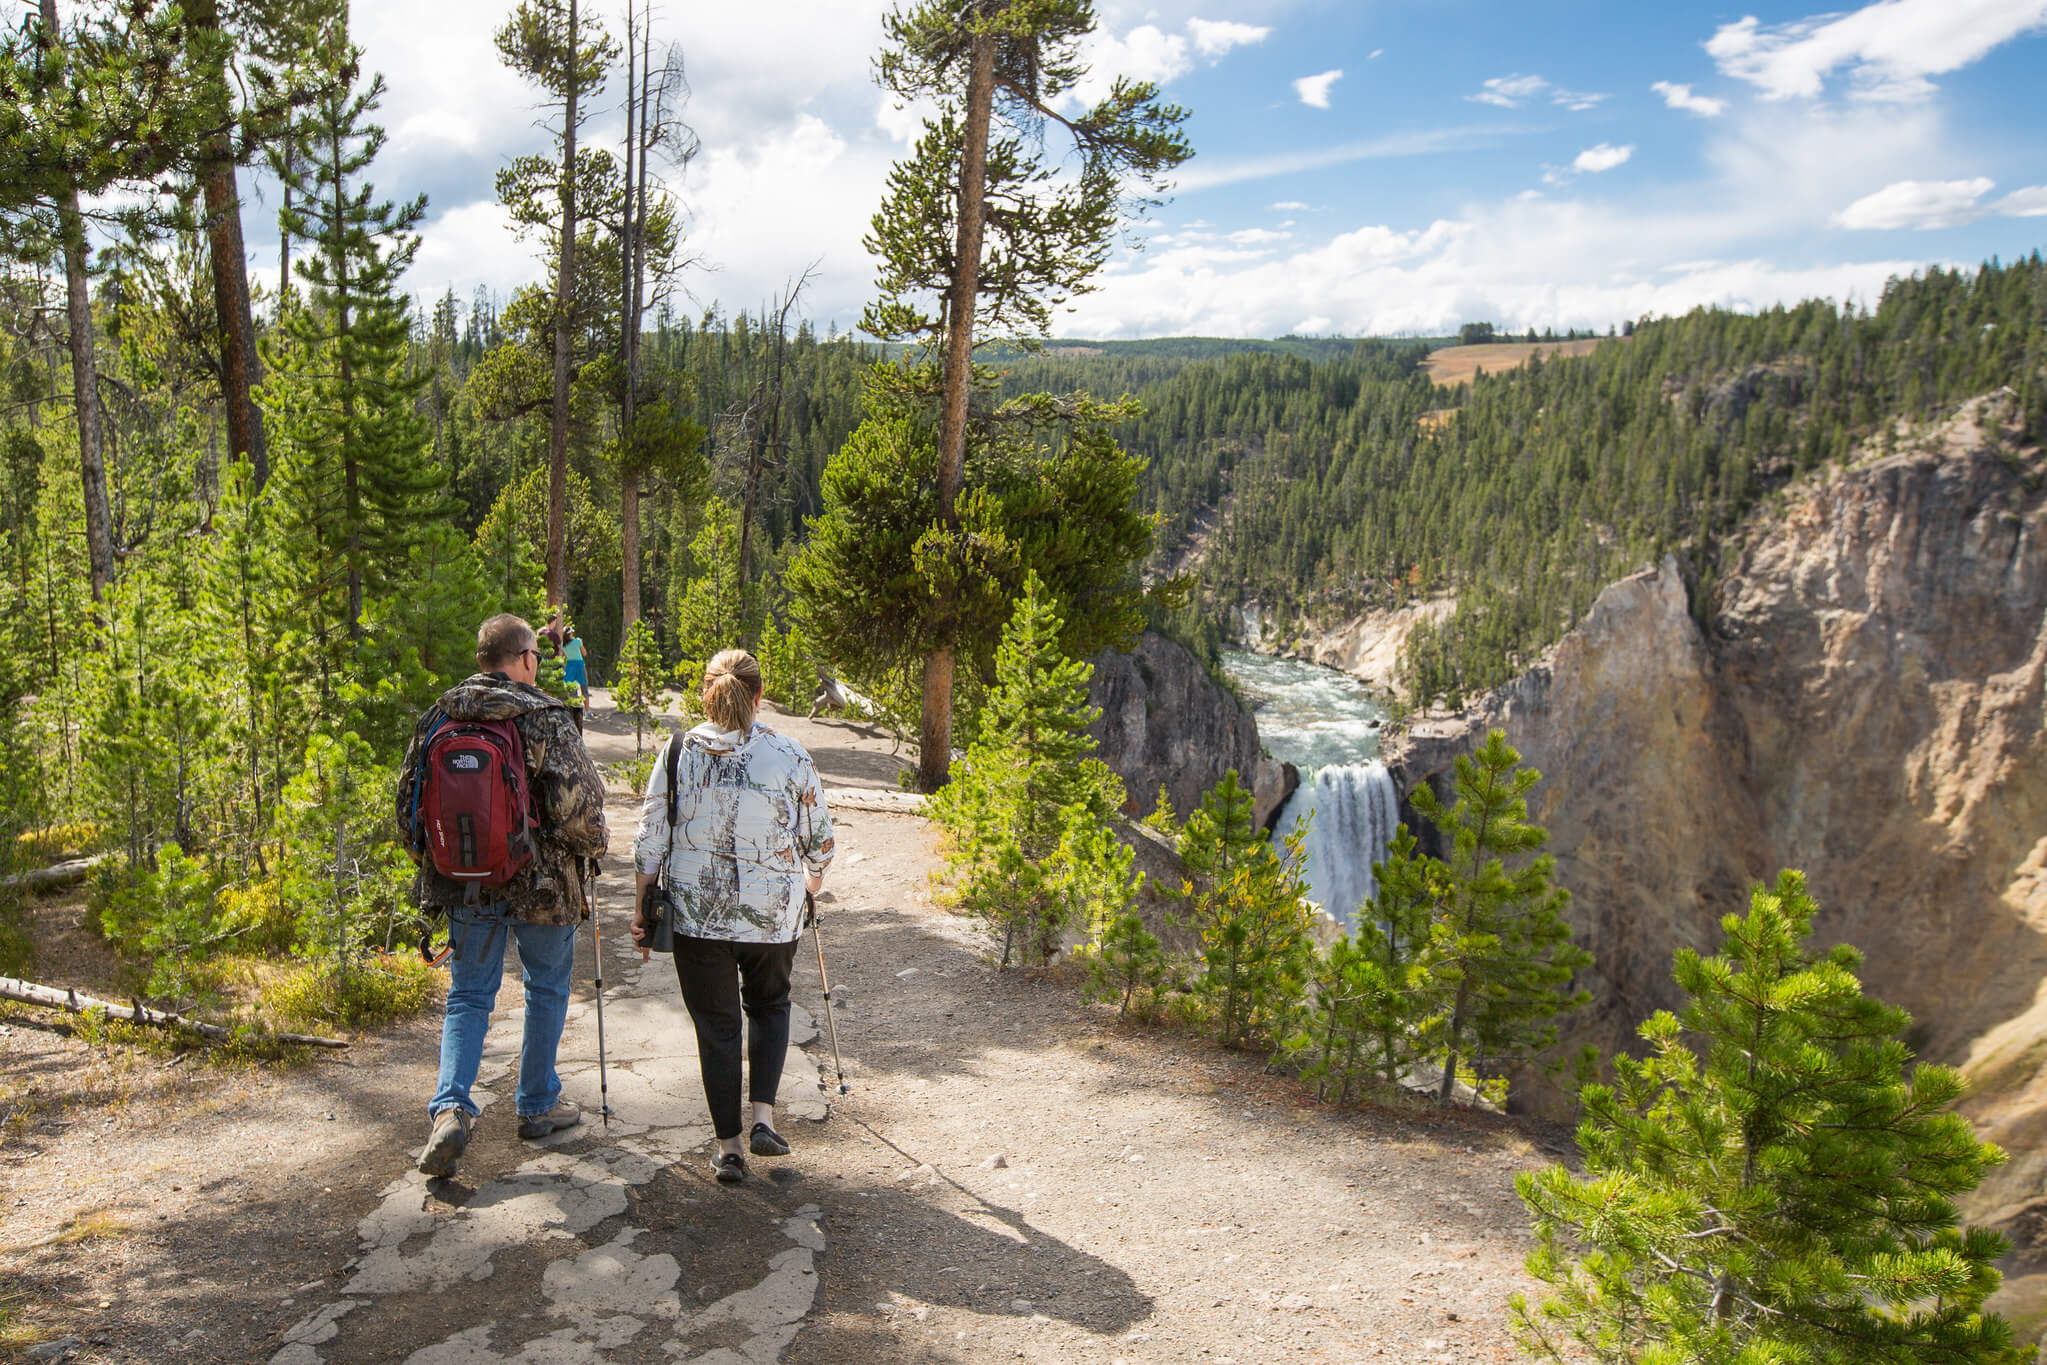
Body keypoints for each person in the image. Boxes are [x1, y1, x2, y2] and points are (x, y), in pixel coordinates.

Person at [396, 613, 609, 1179]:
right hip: (541, 886)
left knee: (468, 996)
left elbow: (406, 809)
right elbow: (579, 807)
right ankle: (537, 1104)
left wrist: (440, 863)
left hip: (465, 883)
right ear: (526, 660)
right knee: (545, 989)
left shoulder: (439, 716)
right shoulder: (542, 717)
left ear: (481, 661)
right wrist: (596, 847)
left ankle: (450, 1109)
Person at [631, 648, 835, 1185]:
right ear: (759, 696)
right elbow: (821, 842)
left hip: (699, 917)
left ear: (706, 693)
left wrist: (641, 909)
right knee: (770, 1005)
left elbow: (650, 840)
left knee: (718, 1027)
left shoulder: (678, 751)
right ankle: (764, 1117)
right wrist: (808, 888)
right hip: (774, 915)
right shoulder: (790, 753)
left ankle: (730, 1149)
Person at [562, 626, 589, 707]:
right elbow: (584, 653)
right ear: (570, 634)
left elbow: (564, 655)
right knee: (584, 689)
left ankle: (574, 711)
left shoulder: (562, 644)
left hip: (569, 666)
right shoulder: (577, 641)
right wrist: (581, 643)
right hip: (579, 666)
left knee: (572, 691)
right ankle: (587, 712)